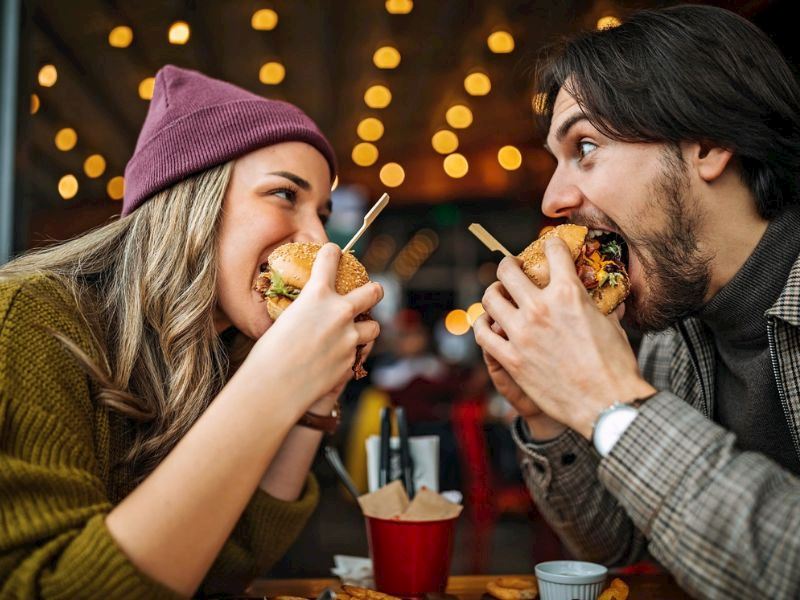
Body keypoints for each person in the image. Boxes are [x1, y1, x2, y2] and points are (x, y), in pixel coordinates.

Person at [0, 65, 382, 598]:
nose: (321, 241)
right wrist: (270, 386)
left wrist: (313, 403)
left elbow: (223, 563)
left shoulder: (223, 353)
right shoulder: (30, 318)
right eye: (283, 195)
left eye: (322, 212)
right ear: (190, 200)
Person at [473, 5, 800, 599]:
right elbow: (617, 544)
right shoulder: (674, 335)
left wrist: (610, 399)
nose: (553, 198)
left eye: (587, 146)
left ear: (708, 142)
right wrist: (548, 408)